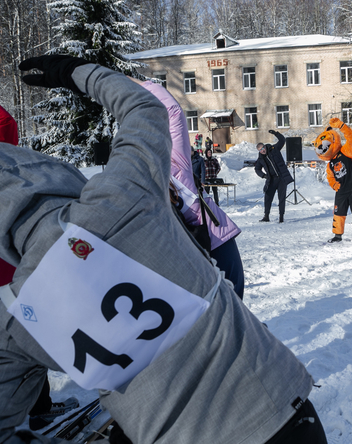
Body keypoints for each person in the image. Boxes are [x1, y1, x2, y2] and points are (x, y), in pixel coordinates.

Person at [0, 55, 326, 443]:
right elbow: (145, 107)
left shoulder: (19, 317)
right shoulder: (126, 187)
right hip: (279, 409)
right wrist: (75, 73)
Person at [1, 104, 81, 431]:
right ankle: (37, 408)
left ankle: (32, 406)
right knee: (27, 338)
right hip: (12, 265)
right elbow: (7, 130)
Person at [141, 81, 245, 300]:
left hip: (216, 241)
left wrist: (120, 81)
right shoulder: (137, 188)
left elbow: (173, 110)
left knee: (234, 302)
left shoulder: (175, 169)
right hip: (183, 255)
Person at [313, 118, 352, 244]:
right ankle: (337, 235)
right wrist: (334, 185)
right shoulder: (330, 164)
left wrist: (341, 126)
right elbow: (330, 177)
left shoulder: (346, 151)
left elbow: (351, 137)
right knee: (338, 213)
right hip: (341, 191)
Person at [254, 130, 293, 223]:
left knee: (281, 198)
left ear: (264, 146)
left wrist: (276, 133)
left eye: (262, 148)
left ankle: (281, 217)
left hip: (282, 178)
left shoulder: (274, 148)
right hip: (271, 180)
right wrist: (263, 176)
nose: (262, 150)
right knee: (267, 196)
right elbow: (257, 169)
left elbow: (282, 140)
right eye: (260, 150)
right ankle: (266, 216)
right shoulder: (260, 159)